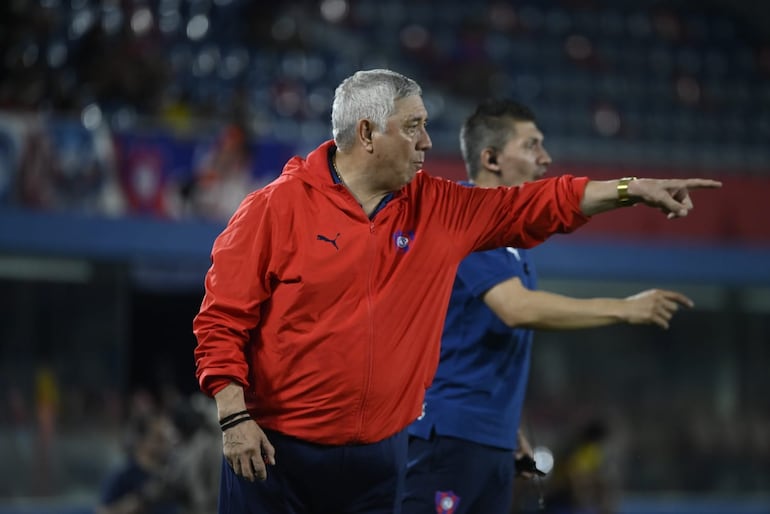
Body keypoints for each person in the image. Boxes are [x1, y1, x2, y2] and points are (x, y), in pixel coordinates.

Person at [192, 69, 720, 514]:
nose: (427, 142)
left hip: (380, 459)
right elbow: (220, 322)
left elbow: (540, 203)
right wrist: (234, 417)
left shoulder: (441, 209)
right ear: (369, 132)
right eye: (415, 127)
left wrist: (632, 190)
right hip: (274, 452)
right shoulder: (272, 209)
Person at [402, 99, 694, 514]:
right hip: (449, 436)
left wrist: (511, 430)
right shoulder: (461, 223)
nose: (546, 157)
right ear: (491, 159)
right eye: (532, 145)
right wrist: (624, 308)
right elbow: (515, 308)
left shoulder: (514, 245)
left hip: (490, 439)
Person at [96, 409, 182, 514]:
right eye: (159, 438)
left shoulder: (172, 474)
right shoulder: (122, 476)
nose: (166, 444)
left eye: (167, 438)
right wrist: (135, 503)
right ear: (141, 440)